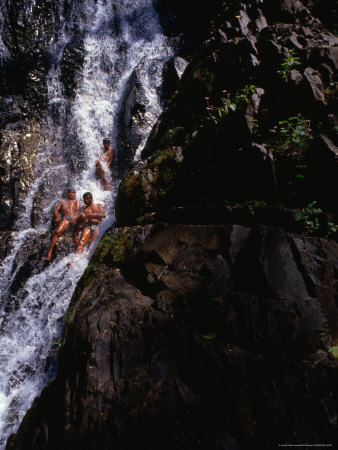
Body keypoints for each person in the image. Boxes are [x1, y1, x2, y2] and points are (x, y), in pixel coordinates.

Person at [45, 188, 81, 261]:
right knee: (57, 232)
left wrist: (74, 217)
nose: (71, 194)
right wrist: (57, 217)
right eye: (69, 192)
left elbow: (78, 210)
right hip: (66, 219)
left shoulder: (77, 201)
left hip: (74, 218)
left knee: (76, 237)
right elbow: (56, 210)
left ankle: (78, 255)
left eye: (73, 192)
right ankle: (50, 252)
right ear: (67, 194)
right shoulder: (62, 201)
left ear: (75, 194)